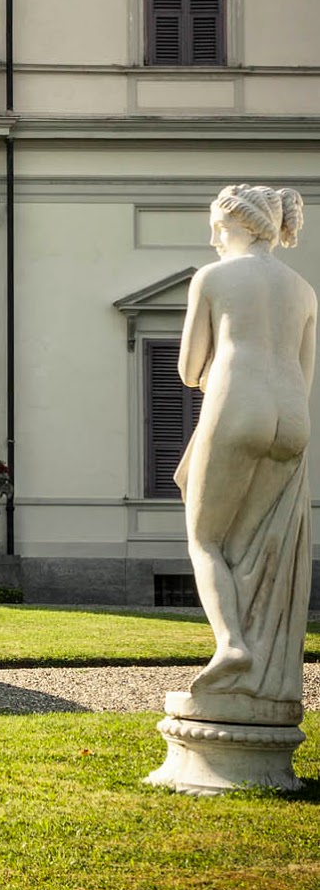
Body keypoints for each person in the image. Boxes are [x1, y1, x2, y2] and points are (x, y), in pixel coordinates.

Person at [175, 184, 314, 712]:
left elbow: (189, 371)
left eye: (218, 227)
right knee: (253, 544)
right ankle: (258, 666)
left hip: (239, 405)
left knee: (207, 540)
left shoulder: (213, 277)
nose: (213, 238)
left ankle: (232, 647)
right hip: (292, 419)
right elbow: (306, 374)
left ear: (240, 226)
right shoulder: (303, 288)